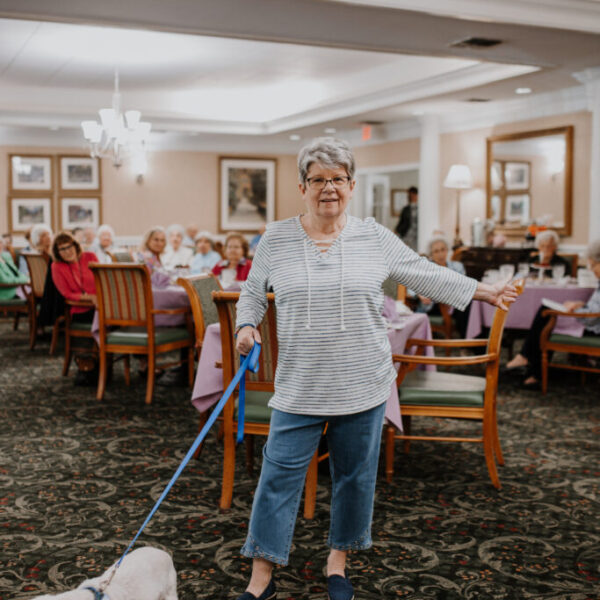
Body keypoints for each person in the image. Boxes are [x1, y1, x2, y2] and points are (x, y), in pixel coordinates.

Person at [233, 137, 516, 600]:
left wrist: (484, 292)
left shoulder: (373, 236)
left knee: (354, 477)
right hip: (300, 384)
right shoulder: (277, 238)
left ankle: (338, 562)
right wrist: (248, 325)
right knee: (276, 479)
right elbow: (251, 292)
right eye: (319, 179)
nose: (329, 188)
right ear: (302, 186)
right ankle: (261, 574)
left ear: (352, 185)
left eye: (338, 179)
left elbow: (423, 272)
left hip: (363, 382)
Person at [506, 239, 600, 389]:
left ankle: (530, 365)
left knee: (546, 316)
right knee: (546, 314)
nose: (592, 269)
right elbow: (595, 308)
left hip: (593, 328)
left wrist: (575, 310)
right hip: (591, 321)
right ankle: (532, 370)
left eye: (593, 265)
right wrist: (581, 305)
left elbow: (593, 318)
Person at [413, 234, 470, 337]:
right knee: (466, 308)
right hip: (433, 306)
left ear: (447, 250)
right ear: (431, 254)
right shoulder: (425, 267)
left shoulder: (457, 266)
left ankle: (473, 343)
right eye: (436, 251)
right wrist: (419, 294)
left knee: (470, 304)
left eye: (443, 250)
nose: (440, 254)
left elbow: (464, 286)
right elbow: (409, 285)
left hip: (454, 304)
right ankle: (467, 344)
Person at [50, 232, 98, 322]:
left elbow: (101, 280)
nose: (67, 251)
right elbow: (67, 294)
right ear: (58, 253)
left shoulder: (90, 256)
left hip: (101, 304)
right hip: (80, 309)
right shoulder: (56, 266)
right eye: (62, 249)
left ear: (75, 246)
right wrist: (91, 297)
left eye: (69, 246)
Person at [0, 236, 29, 301]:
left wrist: (25, 278)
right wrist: (24, 280)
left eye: (1, 243)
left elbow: (17, 273)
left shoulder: (6, 256)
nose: (0, 245)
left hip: (17, 289)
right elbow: (4, 281)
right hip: (5, 294)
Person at [394, 185, 418, 250]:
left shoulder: (421, 208)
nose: (411, 197)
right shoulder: (405, 209)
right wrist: (395, 231)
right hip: (406, 235)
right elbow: (401, 222)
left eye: (413, 195)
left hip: (417, 237)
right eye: (410, 195)